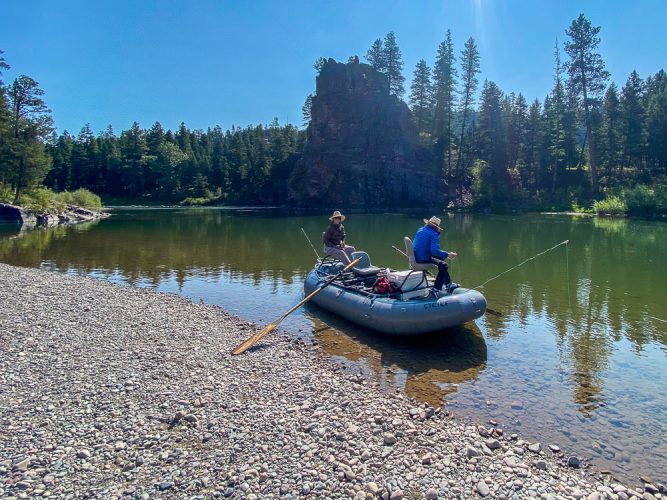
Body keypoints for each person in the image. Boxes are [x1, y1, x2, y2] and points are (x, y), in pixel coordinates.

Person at [412, 216, 459, 295]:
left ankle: (448, 284)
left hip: (416, 256)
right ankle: (436, 289)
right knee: (444, 265)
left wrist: (444, 255)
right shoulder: (433, 234)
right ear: (436, 227)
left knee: (440, 257)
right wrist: (448, 254)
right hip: (423, 258)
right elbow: (434, 251)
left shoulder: (420, 230)